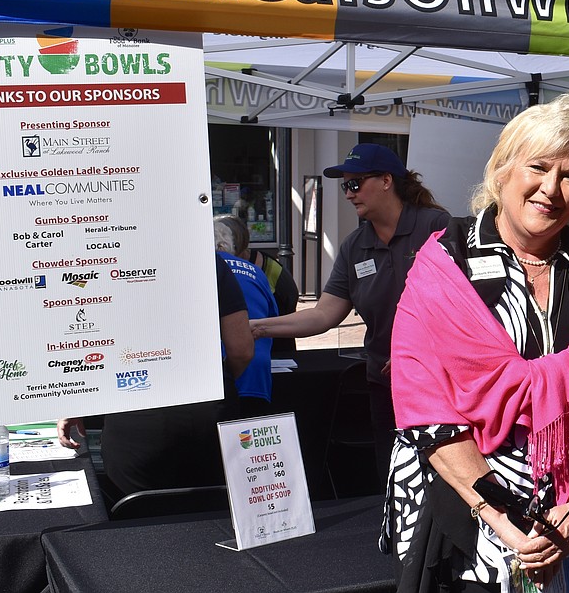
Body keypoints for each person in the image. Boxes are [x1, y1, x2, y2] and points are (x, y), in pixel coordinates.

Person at [386, 94, 569, 591]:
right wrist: (506, 524)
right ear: (503, 169)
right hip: (472, 532)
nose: (551, 188)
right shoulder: (445, 266)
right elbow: (425, 406)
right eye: (538, 167)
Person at [251, 143, 449, 487]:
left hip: (441, 383)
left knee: (444, 479)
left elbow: (465, 307)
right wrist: (255, 327)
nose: (348, 194)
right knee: (393, 480)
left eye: (355, 184)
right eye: (345, 186)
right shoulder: (354, 246)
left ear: (386, 180)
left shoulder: (437, 226)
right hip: (385, 385)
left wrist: (418, 355)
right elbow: (324, 315)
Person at [58, 255, 254, 503]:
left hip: (135, 418)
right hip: (210, 415)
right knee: (217, 520)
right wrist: (216, 383)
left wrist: (79, 398)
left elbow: (85, 338)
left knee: (142, 526)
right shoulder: (207, 259)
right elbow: (241, 349)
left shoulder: (99, 261)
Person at [215, 214, 279, 417]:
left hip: (223, 375)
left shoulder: (203, 271)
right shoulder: (255, 271)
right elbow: (272, 317)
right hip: (257, 375)